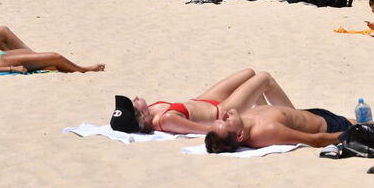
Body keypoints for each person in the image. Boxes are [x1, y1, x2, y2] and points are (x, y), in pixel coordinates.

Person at [110, 69, 295, 135]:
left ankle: (264, 113)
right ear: (141, 118)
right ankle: (296, 117)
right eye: (133, 105)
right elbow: (204, 129)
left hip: (205, 100)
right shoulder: (166, 120)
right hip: (220, 110)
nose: (134, 99)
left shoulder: (149, 112)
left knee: (249, 73)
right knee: (264, 79)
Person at [205, 101, 374, 153]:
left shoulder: (242, 120)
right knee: (358, 126)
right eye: (226, 121)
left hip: (310, 113)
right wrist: (353, 135)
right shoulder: (265, 132)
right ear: (239, 136)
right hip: (325, 126)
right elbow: (315, 140)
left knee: (355, 121)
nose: (225, 115)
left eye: (220, 119)